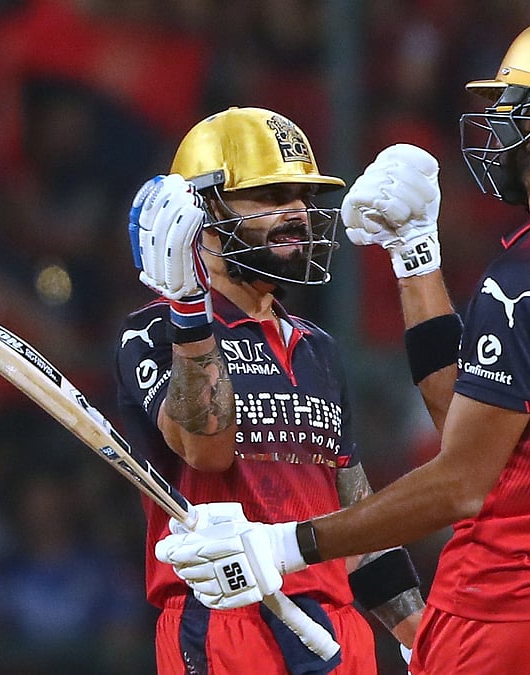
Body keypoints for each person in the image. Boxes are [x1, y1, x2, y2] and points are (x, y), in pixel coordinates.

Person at [155, 17, 530, 674]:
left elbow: (461, 482)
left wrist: (284, 544)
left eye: (513, 106)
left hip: (516, 609)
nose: (500, 125)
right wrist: (415, 256)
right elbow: (473, 422)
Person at [114, 106, 425, 675]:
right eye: (270, 196)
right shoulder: (155, 331)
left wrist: (420, 637)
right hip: (225, 623)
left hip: (339, 628)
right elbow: (207, 449)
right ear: (201, 211)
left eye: (301, 197)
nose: (299, 214)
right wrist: (188, 306)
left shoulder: (320, 348)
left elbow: (356, 520)